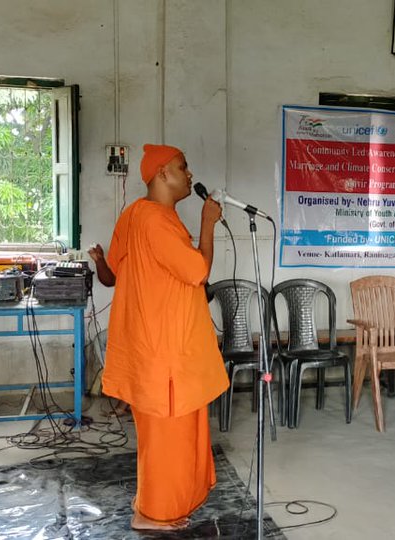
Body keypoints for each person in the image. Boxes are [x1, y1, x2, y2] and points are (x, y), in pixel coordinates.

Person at [103, 144, 228, 531]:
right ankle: (153, 515)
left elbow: (114, 268)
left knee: (168, 440)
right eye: (182, 167)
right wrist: (208, 224)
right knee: (167, 443)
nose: (190, 175)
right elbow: (197, 271)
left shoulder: (136, 215)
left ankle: (157, 505)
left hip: (158, 350)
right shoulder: (154, 220)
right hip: (165, 355)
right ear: (162, 173)